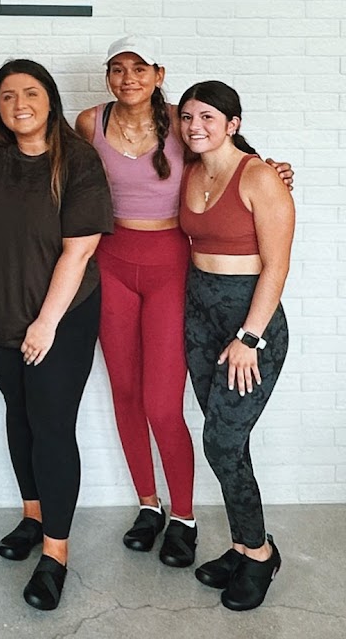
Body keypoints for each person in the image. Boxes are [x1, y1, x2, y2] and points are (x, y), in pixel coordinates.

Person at [75, 36, 294, 568]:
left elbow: (232, 162)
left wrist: (275, 172)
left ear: (159, 73)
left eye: (139, 68)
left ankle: (184, 517)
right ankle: (148, 505)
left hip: (172, 269)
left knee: (161, 403)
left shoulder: (183, 121)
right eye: (117, 68)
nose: (128, 78)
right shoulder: (88, 123)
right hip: (112, 263)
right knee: (125, 393)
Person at [0, 59, 113, 611]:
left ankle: (56, 553)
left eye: (30, 93)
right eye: (7, 96)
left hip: (61, 317)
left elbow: (80, 251)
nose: (19, 104)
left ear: (50, 99)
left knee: (51, 426)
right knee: (20, 414)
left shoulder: (78, 158)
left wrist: (46, 323)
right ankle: (33, 516)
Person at [178, 81, 293, 612]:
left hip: (250, 324)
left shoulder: (260, 176)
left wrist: (250, 336)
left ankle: (262, 554)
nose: (195, 126)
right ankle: (243, 545)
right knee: (229, 442)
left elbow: (277, 266)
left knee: (221, 444)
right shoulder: (190, 170)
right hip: (200, 317)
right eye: (187, 117)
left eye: (208, 116)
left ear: (233, 124)